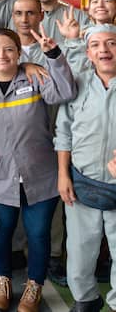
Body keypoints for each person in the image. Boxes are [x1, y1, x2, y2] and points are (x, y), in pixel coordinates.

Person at [0, 28, 77, 312]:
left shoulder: (33, 76)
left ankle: (34, 286)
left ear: (19, 52)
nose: (2, 55)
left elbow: (66, 91)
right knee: (2, 231)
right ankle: (3, 281)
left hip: (40, 171)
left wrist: (52, 56)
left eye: (9, 49)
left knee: (38, 234)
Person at [56, 25, 116, 312]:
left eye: (112, 43)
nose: (104, 50)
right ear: (88, 53)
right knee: (80, 253)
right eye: (96, 45)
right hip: (81, 182)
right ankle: (86, 299)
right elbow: (63, 132)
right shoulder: (77, 84)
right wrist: (63, 174)